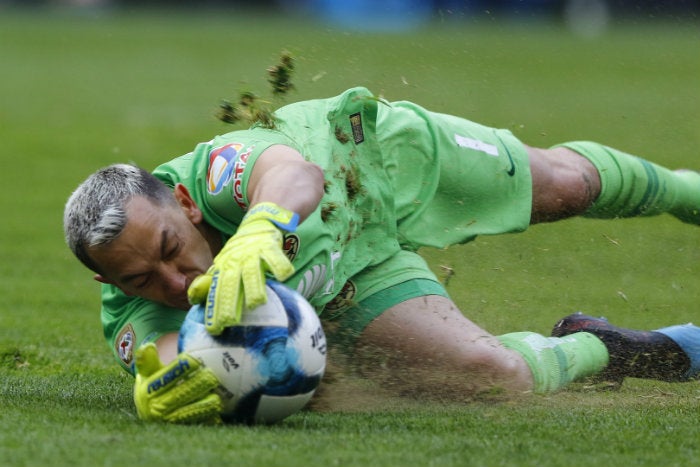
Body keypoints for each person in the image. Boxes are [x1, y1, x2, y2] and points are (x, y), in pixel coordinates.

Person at [64, 86, 700, 424]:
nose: (177, 283)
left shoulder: (215, 169)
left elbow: (294, 174)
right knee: (490, 377)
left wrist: (262, 228)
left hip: (373, 163)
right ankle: (615, 347)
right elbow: (172, 360)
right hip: (352, 279)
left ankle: (687, 191)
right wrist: (164, 385)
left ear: (184, 202)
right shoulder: (129, 311)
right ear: (108, 279)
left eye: (173, 250)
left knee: (568, 185)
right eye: (143, 279)